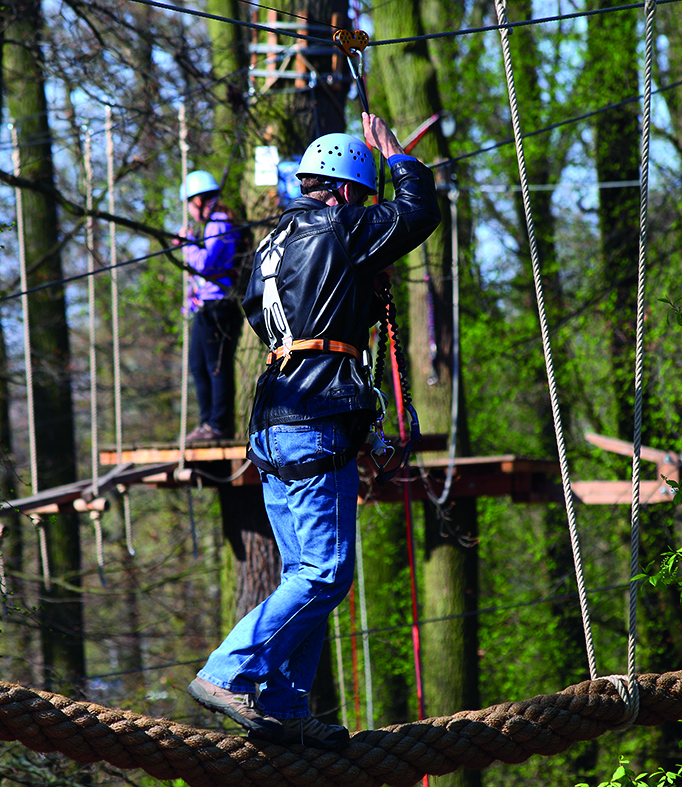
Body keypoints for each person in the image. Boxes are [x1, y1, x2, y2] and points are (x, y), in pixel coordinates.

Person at [187, 113, 441, 749]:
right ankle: (230, 669)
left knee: (308, 574)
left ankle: (283, 705)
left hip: (276, 416)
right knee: (324, 575)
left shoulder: (274, 242)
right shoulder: (337, 224)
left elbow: (260, 315)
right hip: (312, 420)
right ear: (350, 190)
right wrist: (396, 157)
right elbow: (417, 216)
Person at [176, 170, 244, 442]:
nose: (190, 212)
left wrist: (187, 244)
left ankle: (218, 424)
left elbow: (205, 264)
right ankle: (207, 422)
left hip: (218, 306)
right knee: (199, 366)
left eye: (190, 205)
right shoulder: (212, 225)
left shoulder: (219, 224)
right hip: (206, 306)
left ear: (200, 201)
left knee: (216, 367)